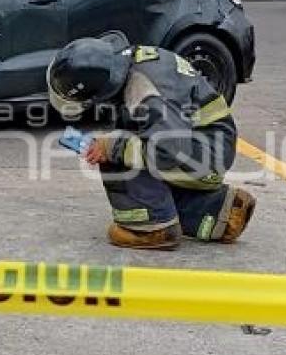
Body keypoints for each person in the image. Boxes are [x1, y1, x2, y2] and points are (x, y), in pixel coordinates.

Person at [47, 38, 256, 250]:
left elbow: (168, 151)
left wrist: (111, 148)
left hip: (202, 154)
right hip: (206, 145)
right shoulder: (134, 63)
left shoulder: (143, 91)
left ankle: (152, 229)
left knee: (117, 156)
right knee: (121, 143)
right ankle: (222, 210)